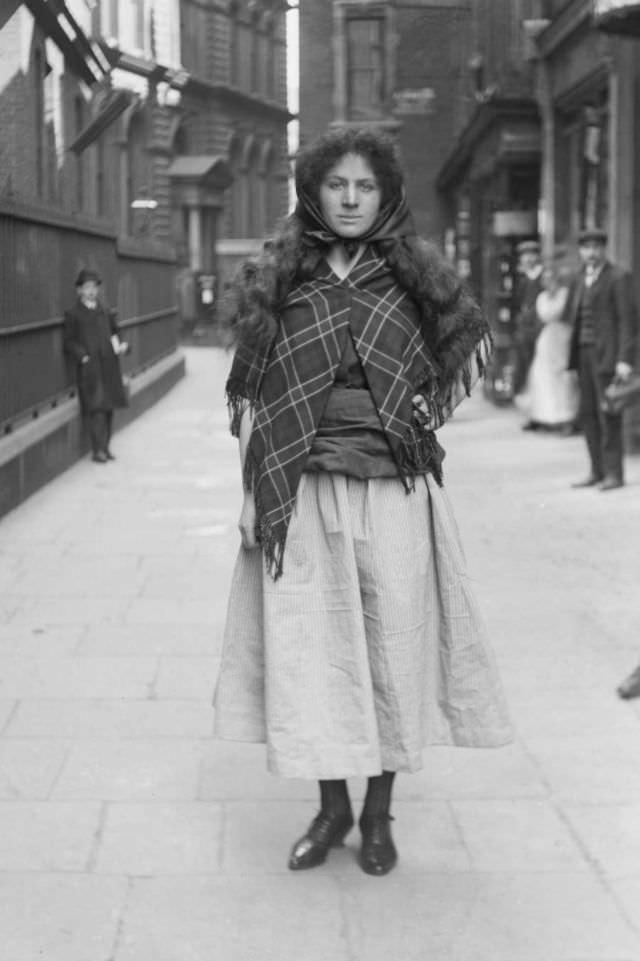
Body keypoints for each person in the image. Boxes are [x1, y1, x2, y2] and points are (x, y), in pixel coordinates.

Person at [213, 127, 511, 878]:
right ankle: (331, 807)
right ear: (314, 191)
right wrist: (254, 494)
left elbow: (461, 351)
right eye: (336, 185)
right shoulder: (281, 275)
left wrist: (416, 416)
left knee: (393, 650)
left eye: (364, 186)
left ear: (385, 194)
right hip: (302, 491)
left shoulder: (413, 275)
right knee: (312, 651)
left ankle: (378, 813)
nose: (350, 198)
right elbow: (255, 391)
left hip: (394, 493)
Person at [563, 228, 638, 491]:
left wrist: (625, 360)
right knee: (588, 414)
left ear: (604, 249)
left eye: (596, 247)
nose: (591, 253)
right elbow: (572, 319)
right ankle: (596, 470)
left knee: (609, 414)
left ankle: (614, 474)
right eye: (586, 248)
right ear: (581, 252)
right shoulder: (578, 279)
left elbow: (629, 323)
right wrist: (569, 362)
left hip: (608, 356)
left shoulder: (619, 277)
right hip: (583, 354)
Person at [63, 268, 128, 463]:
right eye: (87, 287)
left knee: (108, 408)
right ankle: (97, 450)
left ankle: (106, 448)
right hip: (90, 369)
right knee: (96, 409)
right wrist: (83, 356)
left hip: (109, 365)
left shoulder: (105, 311)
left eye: (94, 287)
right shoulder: (74, 314)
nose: (91, 291)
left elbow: (115, 332)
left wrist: (120, 345)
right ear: (80, 291)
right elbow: (69, 341)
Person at [515, 261, 579, 433]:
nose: (549, 281)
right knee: (541, 375)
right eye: (546, 278)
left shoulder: (564, 294)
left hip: (562, 336)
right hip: (547, 337)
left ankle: (566, 417)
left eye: (552, 277)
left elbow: (559, 312)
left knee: (562, 376)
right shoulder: (542, 297)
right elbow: (545, 314)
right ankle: (543, 416)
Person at [512, 238, 544, 413]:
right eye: (525, 255)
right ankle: (530, 408)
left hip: (540, 330)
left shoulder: (542, 277)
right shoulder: (523, 279)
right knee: (524, 368)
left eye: (532, 254)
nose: (529, 259)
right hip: (524, 330)